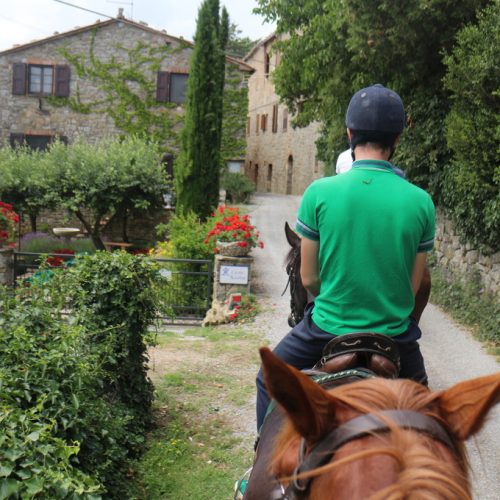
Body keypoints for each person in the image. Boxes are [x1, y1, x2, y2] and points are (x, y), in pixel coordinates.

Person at [255, 84, 435, 430]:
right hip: (394, 336)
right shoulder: (421, 201)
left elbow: (308, 278)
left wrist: (340, 299)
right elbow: (413, 286)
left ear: (349, 133)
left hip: (327, 329)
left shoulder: (320, 193)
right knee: (428, 417)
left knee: (267, 378)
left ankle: (263, 468)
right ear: (398, 137)